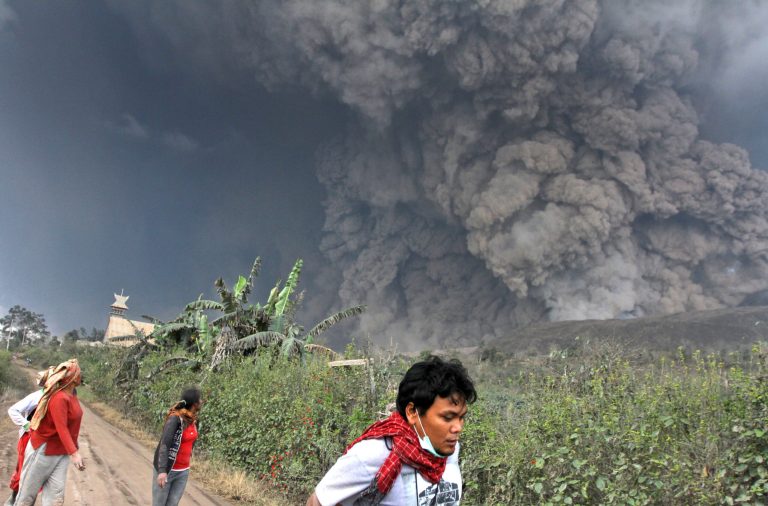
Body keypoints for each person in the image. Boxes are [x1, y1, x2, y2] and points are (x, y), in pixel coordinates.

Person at [307, 355, 477, 506]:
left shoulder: (449, 451)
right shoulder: (373, 454)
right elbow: (317, 501)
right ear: (412, 412)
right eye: (447, 418)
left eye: (461, 417)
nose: (458, 427)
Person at [14, 359, 85, 506]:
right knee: (26, 497)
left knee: (55, 499)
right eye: (78, 372)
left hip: (61, 453)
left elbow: (72, 427)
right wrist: (75, 453)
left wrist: (72, 448)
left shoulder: (72, 395)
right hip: (42, 451)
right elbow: (62, 428)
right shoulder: (59, 398)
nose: (81, 375)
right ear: (73, 378)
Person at [4, 368, 54, 506]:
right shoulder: (36, 397)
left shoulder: (57, 399)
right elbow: (13, 410)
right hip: (28, 439)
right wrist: (26, 425)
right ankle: (14, 500)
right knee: (24, 472)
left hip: (44, 442)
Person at [152, 386, 202, 506]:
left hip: (183, 471)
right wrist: (162, 471)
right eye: (200, 400)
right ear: (194, 404)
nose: (202, 402)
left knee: (173, 504)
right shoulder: (175, 419)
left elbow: (191, 441)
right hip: (168, 470)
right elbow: (165, 444)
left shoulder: (193, 420)